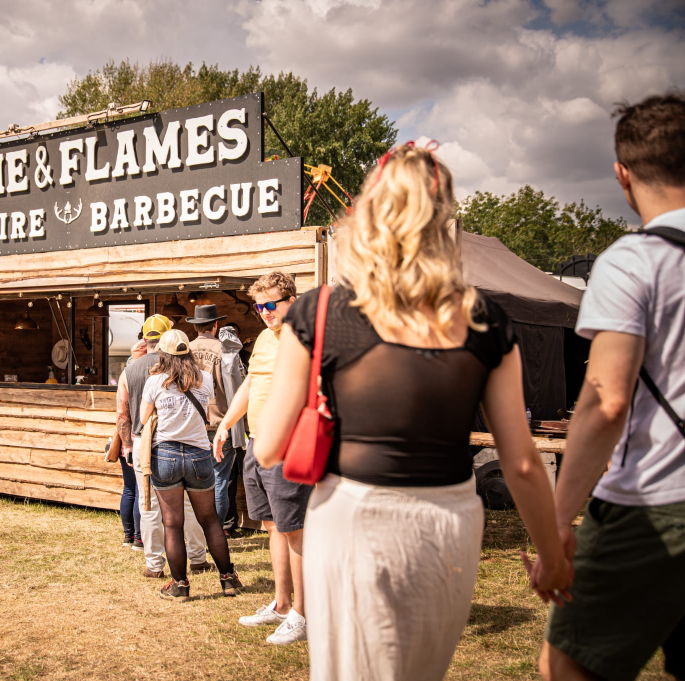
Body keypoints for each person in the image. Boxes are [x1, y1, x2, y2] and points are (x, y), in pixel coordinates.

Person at [253, 143, 573, 680]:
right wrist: (553, 556)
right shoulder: (484, 319)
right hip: (446, 518)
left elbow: (268, 445)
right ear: (444, 219)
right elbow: (520, 461)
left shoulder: (320, 310)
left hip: (350, 512)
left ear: (367, 216)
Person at [539, 93, 685, 681]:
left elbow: (605, 401)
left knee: (568, 666)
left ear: (622, 175)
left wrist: (557, 526)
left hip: (655, 502)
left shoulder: (634, 261)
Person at [213, 271, 312, 645]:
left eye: (271, 304)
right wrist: (226, 424)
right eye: (259, 307)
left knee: (295, 529)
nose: (265, 312)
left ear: (291, 300)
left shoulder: (304, 336)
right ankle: (283, 605)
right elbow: (252, 383)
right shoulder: (265, 342)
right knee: (271, 525)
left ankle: (303, 614)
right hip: (257, 442)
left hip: (288, 444)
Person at [140, 329, 243, 601]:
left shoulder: (155, 382)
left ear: (162, 353)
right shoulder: (204, 378)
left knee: (172, 524)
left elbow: (142, 418)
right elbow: (206, 411)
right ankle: (228, 578)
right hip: (199, 454)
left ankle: (180, 585)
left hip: (166, 455)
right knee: (210, 519)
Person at [119, 314, 211, 579]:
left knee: (148, 504)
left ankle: (154, 564)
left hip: (144, 441)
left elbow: (122, 412)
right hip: (185, 443)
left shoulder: (131, 369)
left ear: (145, 338)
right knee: (190, 505)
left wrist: (126, 444)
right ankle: (197, 557)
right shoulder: (187, 371)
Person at [186, 304, 240, 534]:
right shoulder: (224, 349)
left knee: (194, 483)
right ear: (215, 325)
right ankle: (214, 534)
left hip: (190, 425)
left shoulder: (185, 349)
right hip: (220, 422)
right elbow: (234, 387)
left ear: (196, 327)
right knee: (219, 481)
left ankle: (197, 534)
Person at [218, 323, 248, 535]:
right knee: (227, 477)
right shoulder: (234, 358)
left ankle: (230, 523)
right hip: (230, 424)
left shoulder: (242, 357)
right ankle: (226, 525)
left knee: (229, 477)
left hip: (227, 424)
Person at [114, 368, 141, 549]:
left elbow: (121, 413)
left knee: (129, 488)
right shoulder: (149, 370)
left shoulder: (127, 372)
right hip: (140, 439)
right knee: (139, 490)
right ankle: (139, 538)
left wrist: (126, 444)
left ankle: (128, 536)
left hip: (126, 441)